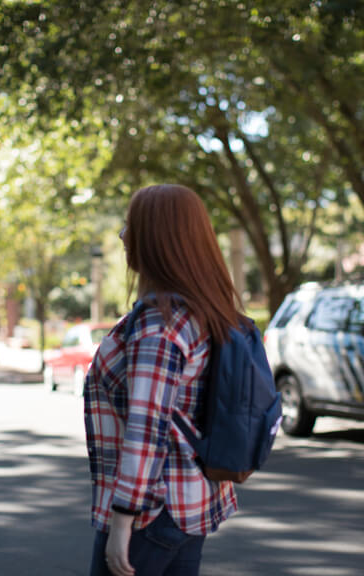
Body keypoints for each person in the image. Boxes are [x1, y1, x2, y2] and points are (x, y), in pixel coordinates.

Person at [84, 184, 247, 576]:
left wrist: (122, 518)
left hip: (151, 512)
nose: (123, 236)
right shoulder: (200, 310)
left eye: (131, 225)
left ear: (157, 239)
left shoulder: (159, 324)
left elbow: (147, 427)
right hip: (190, 502)